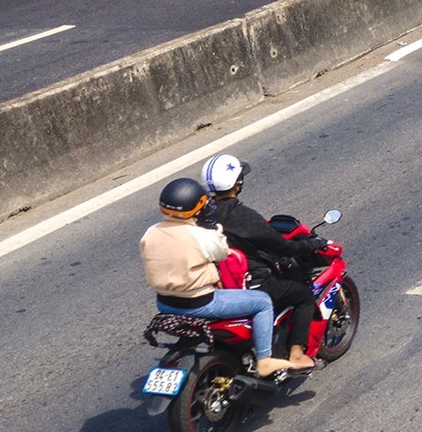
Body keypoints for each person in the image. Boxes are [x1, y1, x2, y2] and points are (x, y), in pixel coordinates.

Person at [141, 178, 303, 378]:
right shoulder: (201, 236)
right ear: (198, 207)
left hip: (165, 304)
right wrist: (212, 228)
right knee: (262, 302)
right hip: (201, 302)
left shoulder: (150, 233)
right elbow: (222, 253)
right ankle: (265, 360)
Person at [199, 153, 331, 371]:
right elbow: (286, 248)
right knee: (303, 296)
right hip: (250, 283)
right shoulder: (242, 216)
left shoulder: (202, 214)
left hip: (213, 284)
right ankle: (297, 355)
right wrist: (312, 245)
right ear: (237, 183)